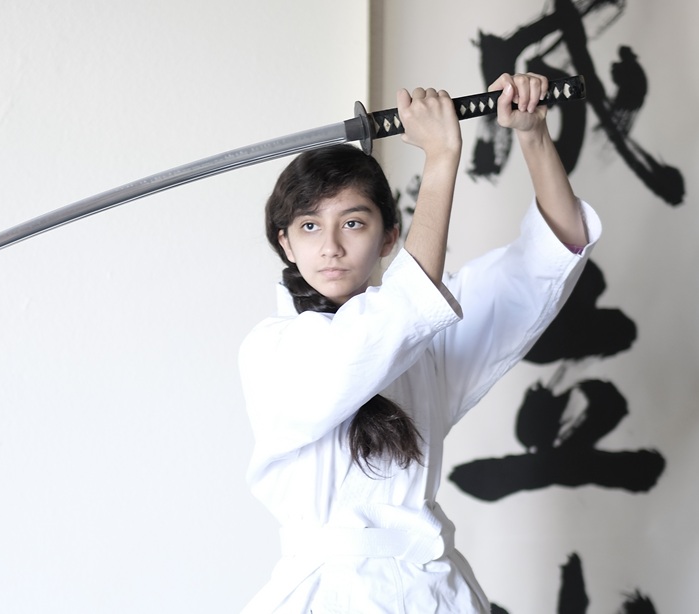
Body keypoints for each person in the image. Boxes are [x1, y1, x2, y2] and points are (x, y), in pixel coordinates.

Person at [237, 73, 601, 612]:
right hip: (330, 596)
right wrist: (440, 157)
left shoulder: (427, 341)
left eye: (353, 223)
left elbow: (544, 262)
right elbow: (389, 324)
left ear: (389, 237)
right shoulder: (274, 350)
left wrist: (533, 135)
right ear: (285, 243)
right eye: (309, 226)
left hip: (435, 593)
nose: (330, 246)